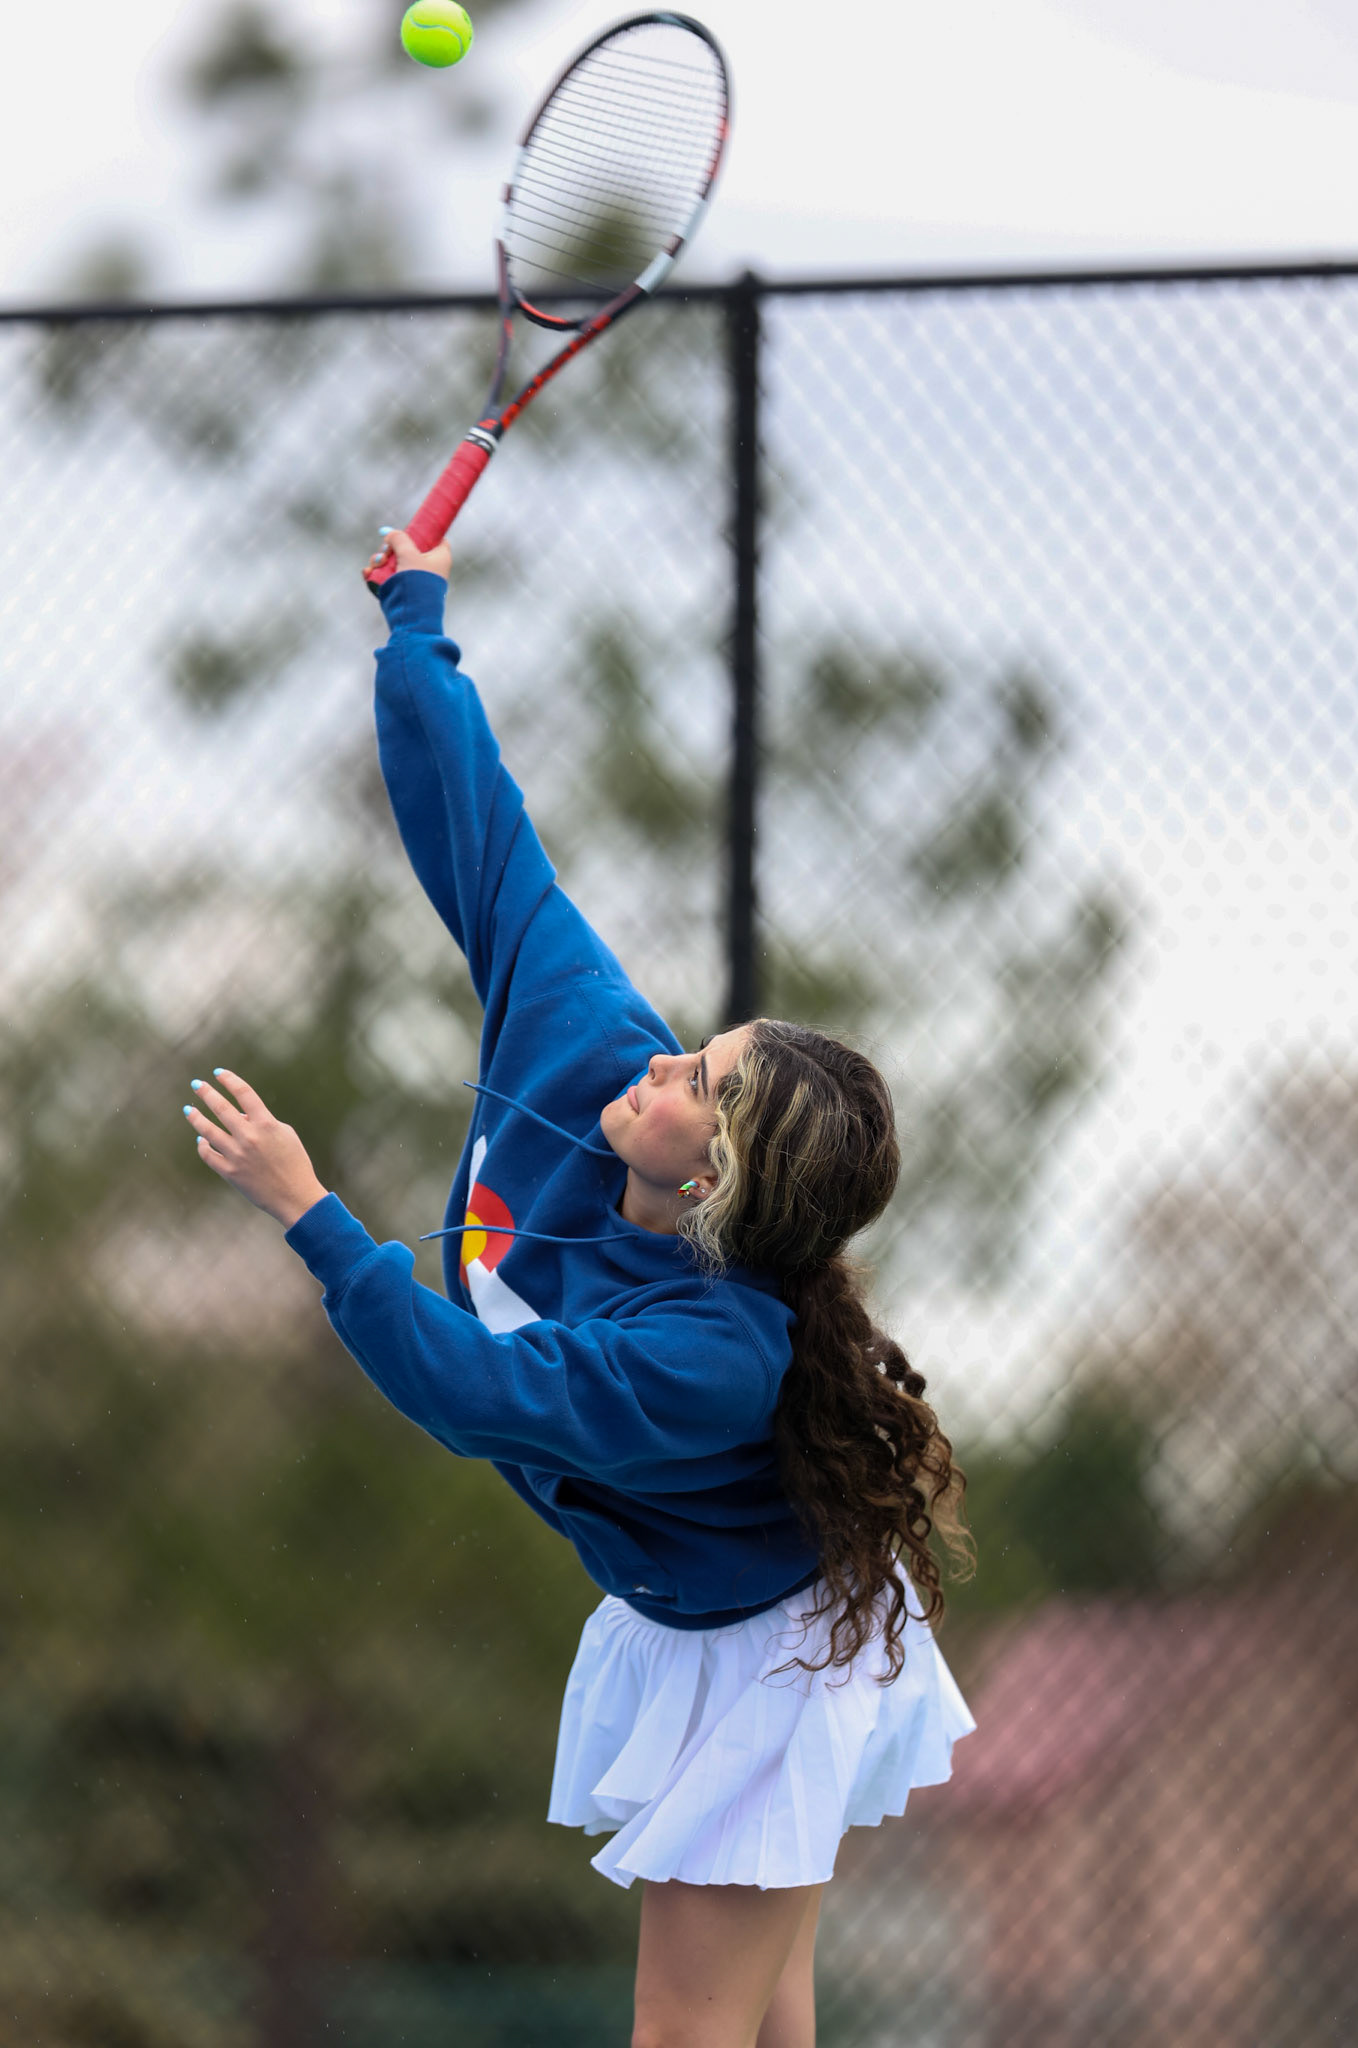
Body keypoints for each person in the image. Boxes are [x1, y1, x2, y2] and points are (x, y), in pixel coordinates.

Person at [181, 528, 976, 2048]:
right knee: (762, 2015)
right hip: (692, 1615)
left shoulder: (713, 1352)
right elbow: (480, 833)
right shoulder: (588, 1038)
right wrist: (416, 624)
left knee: (687, 2029)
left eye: (696, 1080)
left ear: (717, 1185)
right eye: (696, 1047)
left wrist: (312, 1214)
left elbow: (485, 1397)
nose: (658, 1059)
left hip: (768, 1660)